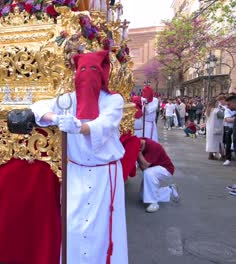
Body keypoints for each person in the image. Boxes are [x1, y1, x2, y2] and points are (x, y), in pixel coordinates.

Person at [30, 51, 128, 263]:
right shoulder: (68, 100)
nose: (87, 75)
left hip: (104, 175)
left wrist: (80, 127)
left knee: (103, 230)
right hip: (75, 173)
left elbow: (105, 123)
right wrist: (55, 118)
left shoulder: (113, 100)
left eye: (93, 69)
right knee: (74, 226)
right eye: (82, 70)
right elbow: (37, 107)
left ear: (102, 74)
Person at [137, 137, 179, 213]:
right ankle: (170, 190)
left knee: (148, 173)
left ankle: (153, 202)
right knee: (142, 196)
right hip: (154, 169)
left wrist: (138, 153)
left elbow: (144, 167)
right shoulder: (140, 142)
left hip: (166, 169)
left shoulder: (153, 146)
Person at [223, 94, 236, 166]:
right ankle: (228, 158)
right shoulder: (227, 110)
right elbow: (227, 119)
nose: (227, 106)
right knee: (228, 144)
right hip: (229, 128)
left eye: (229, 104)